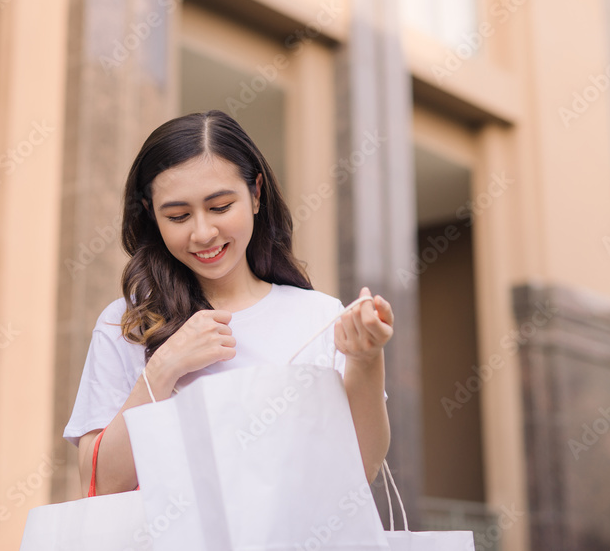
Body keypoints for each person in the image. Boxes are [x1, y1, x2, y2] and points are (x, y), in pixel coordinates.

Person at [63, 110, 393, 497]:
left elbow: (361, 470)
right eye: (178, 215)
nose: (203, 233)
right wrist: (163, 369)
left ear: (255, 194)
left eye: (220, 207)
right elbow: (100, 483)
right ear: (151, 214)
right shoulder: (127, 323)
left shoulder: (318, 317)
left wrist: (367, 361)